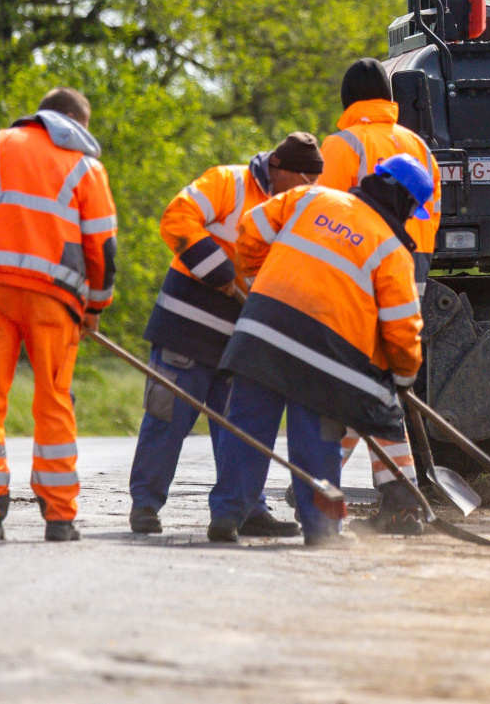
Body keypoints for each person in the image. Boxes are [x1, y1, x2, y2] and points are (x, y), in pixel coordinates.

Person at [208, 154, 433, 546]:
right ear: (403, 201)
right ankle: (322, 530)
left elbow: (249, 229)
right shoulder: (392, 251)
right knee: (319, 442)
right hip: (327, 358)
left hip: (263, 330)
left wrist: (258, 280)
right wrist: (403, 375)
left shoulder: (310, 199)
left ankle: (226, 516)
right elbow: (402, 328)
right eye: (413, 209)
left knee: (246, 427)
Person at [0, 87, 118, 543]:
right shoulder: (86, 166)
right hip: (55, 300)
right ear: (75, 121)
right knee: (54, 401)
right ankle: (59, 518)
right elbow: (103, 249)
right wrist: (95, 306)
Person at [126, 133, 323, 539]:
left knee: (241, 430)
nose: (310, 190)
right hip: (187, 330)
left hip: (239, 341)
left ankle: (249, 509)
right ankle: (145, 504)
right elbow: (176, 218)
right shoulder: (227, 182)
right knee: (167, 418)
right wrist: (218, 270)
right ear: (280, 168)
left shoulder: (299, 209)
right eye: (305, 180)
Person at [317, 58, 444, 535]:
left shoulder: (343, 144)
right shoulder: (417, 145)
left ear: (348, 98)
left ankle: (336, 478)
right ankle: (392, 492)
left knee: (360, 381)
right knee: (378, 380)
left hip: (362, 271)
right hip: (414, 270)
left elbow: (324, 213)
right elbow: (432, 211)